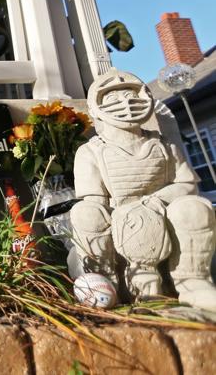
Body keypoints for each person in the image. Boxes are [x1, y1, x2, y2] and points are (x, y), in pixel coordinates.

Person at [70, 69, 216, 311]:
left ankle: (192, 281)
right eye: (113, 99)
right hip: (121, 221)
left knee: (193, 207)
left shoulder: (164, 145)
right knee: (85, 213)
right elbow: (94, 201)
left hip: (163, 209)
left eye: (129, 96)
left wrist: (151, 203)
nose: (125, 103)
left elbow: (187, 185)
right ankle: (107, 283)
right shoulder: (91, 151)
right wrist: (128, 215)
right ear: (97, 108)